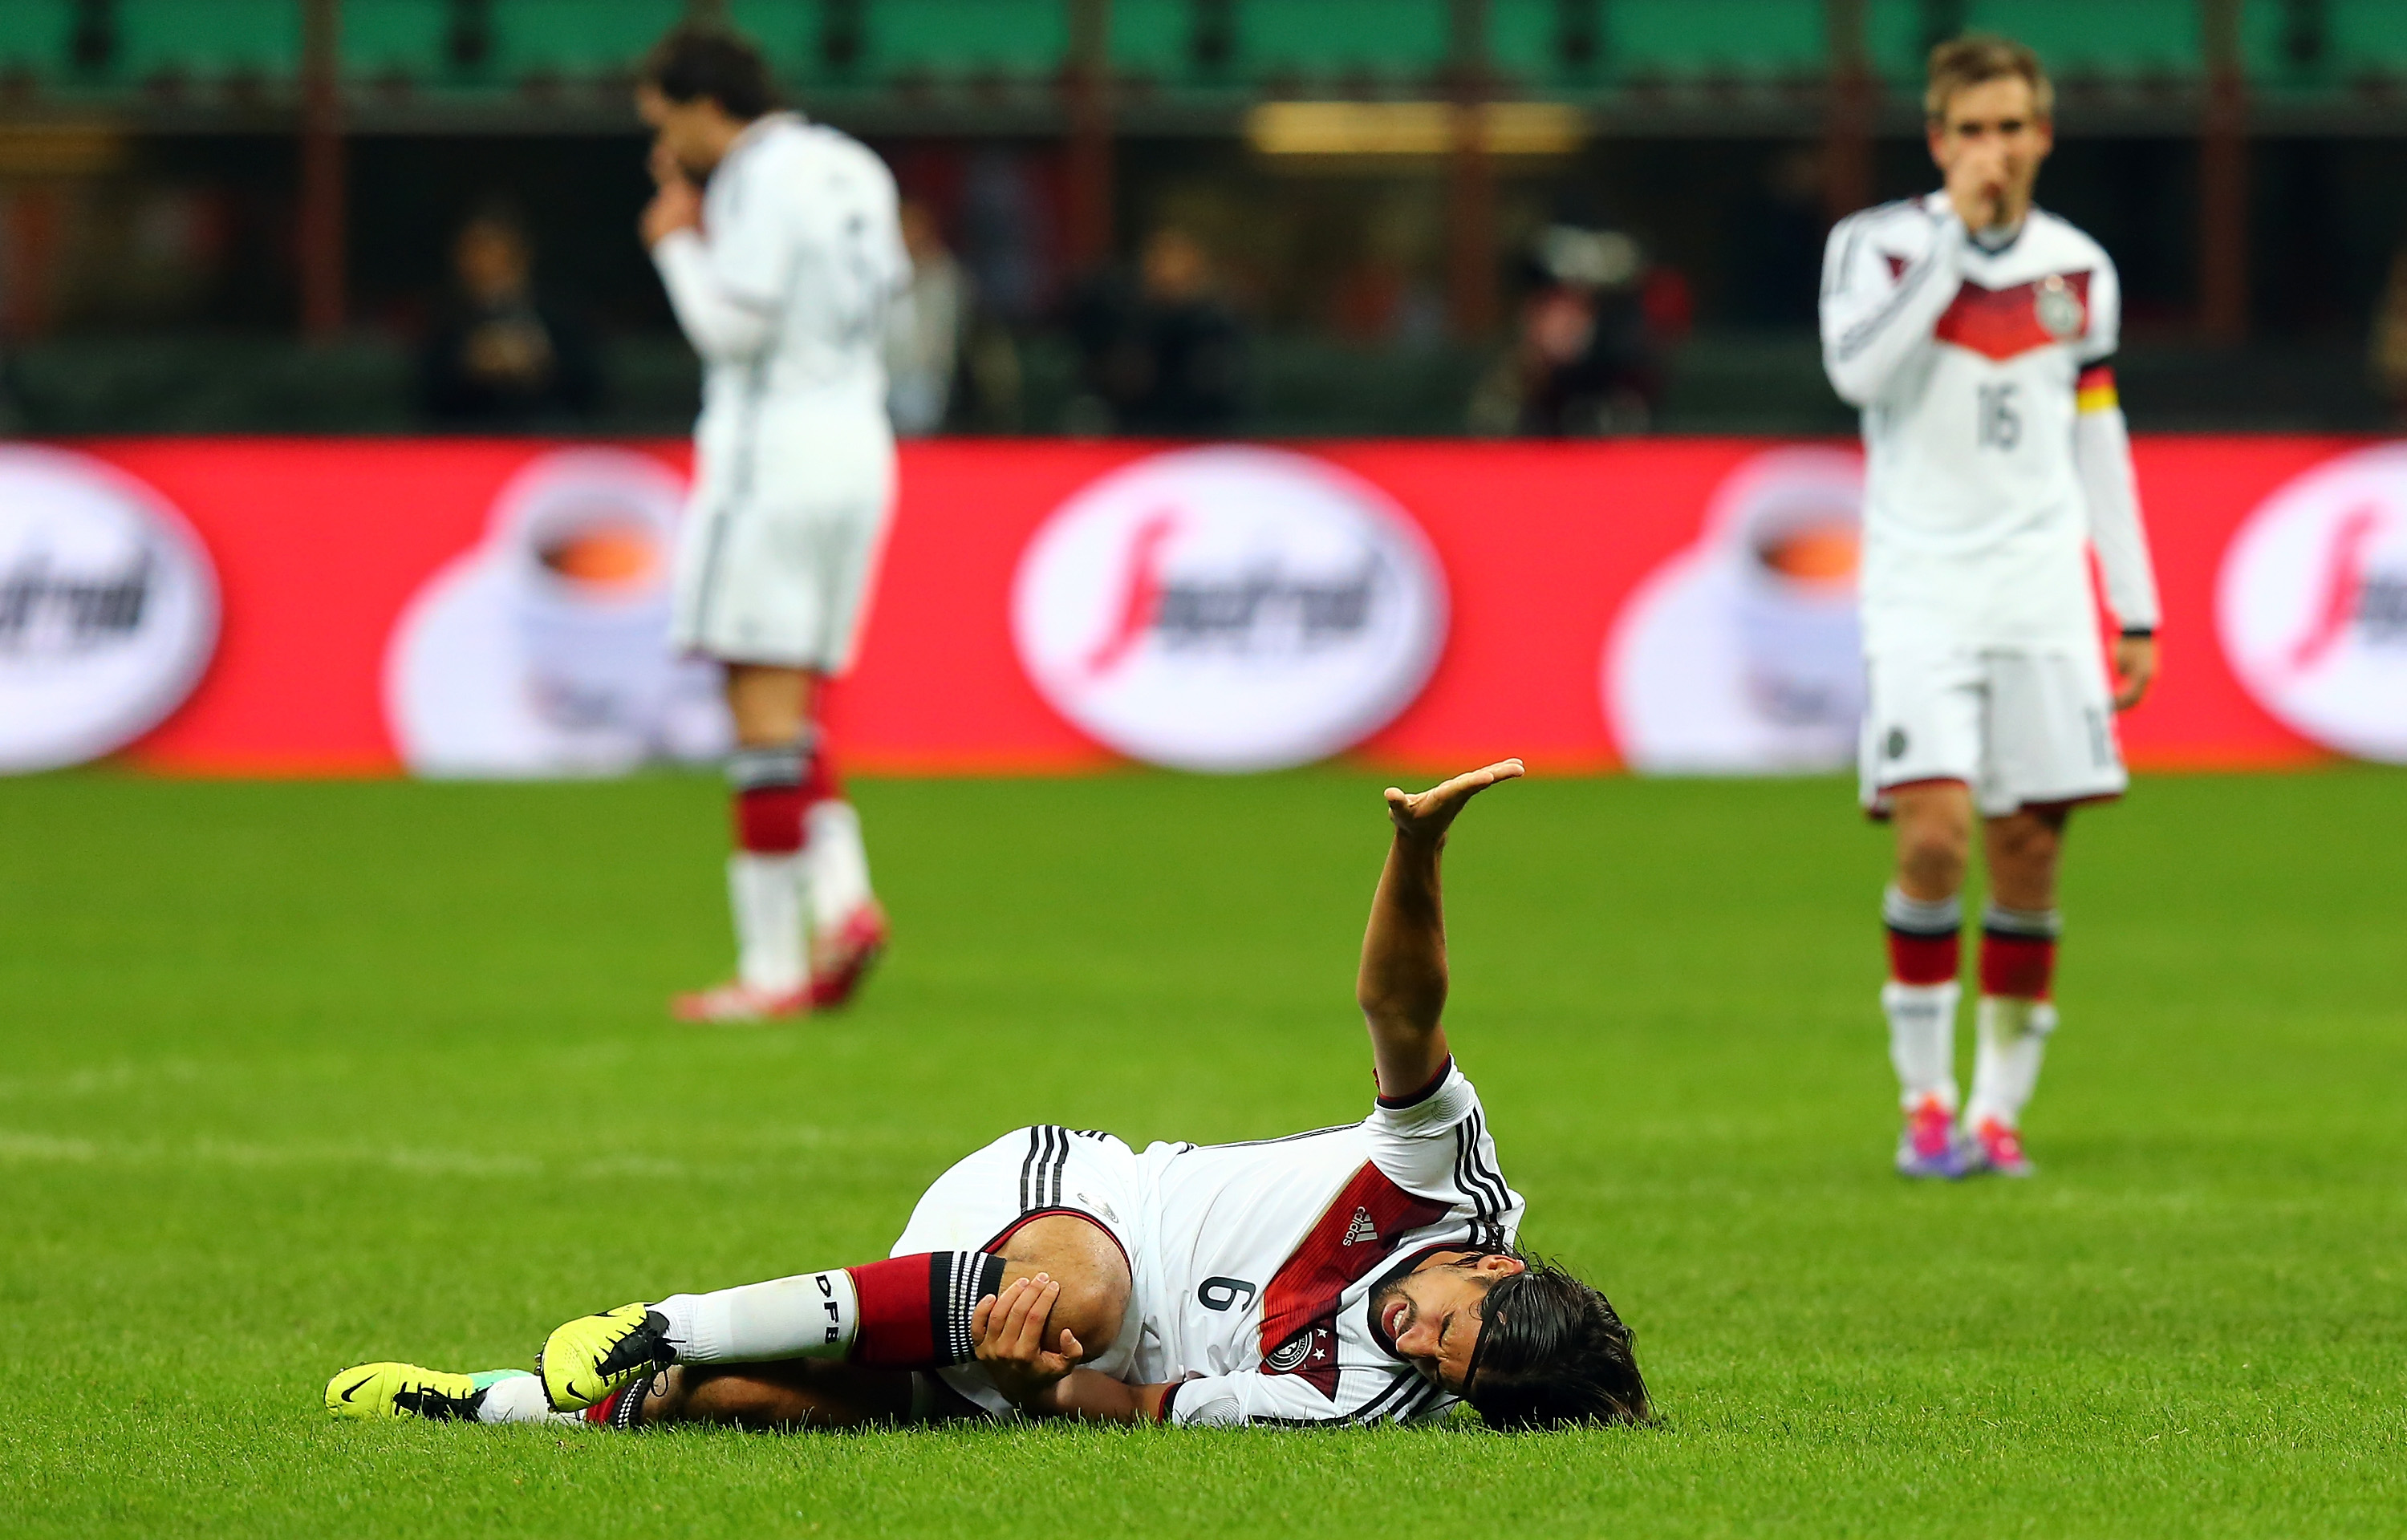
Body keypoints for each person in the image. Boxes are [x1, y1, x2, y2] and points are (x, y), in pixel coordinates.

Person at [324, 761, 1650, 1432]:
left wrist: (1045, 1388)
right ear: (1490, 1259)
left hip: (1052, 1353)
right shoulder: (1444, 1174)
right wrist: (1417, 849)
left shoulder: (1370, 1406)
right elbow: (1400, 1010)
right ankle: (661, 1319)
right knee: (1087, 1287)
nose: (1416, 1350)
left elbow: (1134, 1414)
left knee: (753, 1409)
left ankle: (487, 1400)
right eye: (1447, 1326)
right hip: (1073, 1202)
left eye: (1445, 1376)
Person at [1819, 35, 2161, 1179]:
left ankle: (2000, 1112)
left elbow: (2098, 435)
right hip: (1920, 588)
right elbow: (1859, 375)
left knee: (2028, 851)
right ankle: (1926, 1102)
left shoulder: (2081, 270)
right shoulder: (1875, 247)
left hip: (2042, 594)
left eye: (2013, 128)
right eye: (1971, 131)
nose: (1994, 150)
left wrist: (2136, 603)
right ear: (1938, 140)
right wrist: (1954, 244)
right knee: (1932, 835)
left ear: (2043, 135)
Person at [635, 26, 906, 1021]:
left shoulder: (750, 174)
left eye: (665, 127)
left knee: (756, 711)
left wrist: (675, 243)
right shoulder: (855, 164)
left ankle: (772, 968)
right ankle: (840, 905)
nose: (665, 153)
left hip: (770, 459)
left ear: (707, 108)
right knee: (788, 704)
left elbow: (731, 327)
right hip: (860, 450)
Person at [419, 206, 599, 429]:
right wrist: (471, 366)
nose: (483, 261)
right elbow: (426, 400)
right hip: (469, 444)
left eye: (493, 247)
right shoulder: (446, 322)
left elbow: (592, 393)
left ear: (520, 254)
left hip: (549, 444)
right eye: (474, 249)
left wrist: (540, 363)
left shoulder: (560, 317)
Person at [883, 199, 968, 436]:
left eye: (913, 228)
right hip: (877, 373)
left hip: (920, 376)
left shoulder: (942, 273)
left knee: (916, 397)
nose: (906, 235)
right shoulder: (878, 270)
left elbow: (939, 339)